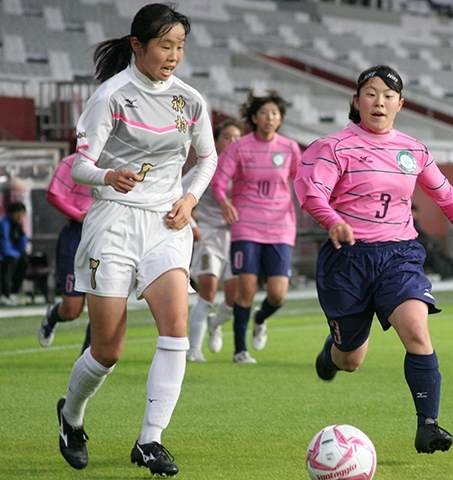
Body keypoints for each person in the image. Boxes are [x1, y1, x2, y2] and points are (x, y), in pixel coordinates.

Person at [294, 65, 453, 454]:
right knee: (351, 358)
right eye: (370, 94)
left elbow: (446, 196)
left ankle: (428, 425)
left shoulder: (414, 150)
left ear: (400, 104)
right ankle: (332, 354)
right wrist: (333, 221)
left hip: (399, 256)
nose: (379, 102)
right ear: (356, 101)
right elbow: (312, 194)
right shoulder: (333, 147)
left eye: (388, 96)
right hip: (347, 260)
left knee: (417, 332)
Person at [55, 4, 217, 476]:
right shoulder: (111, 96)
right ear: (137, 45)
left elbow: (205, 158)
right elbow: (77, 165)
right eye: (165, 45)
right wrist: (108, 174)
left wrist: (189, 200)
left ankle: (150, 440)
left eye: (180, 46)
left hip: (166, 223)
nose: (173, 56)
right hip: (113, 221)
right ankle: (71, 416)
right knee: (108, 349)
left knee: (176, 328)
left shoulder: (190, 100)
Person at [211, 89, 301, 364]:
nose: (269, 117)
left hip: (280, 226)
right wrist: (225, 202)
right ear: (253, 117)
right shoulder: (239, 147)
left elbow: (302, 182)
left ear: (280, 118)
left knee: (277, 293)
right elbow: (217, 182)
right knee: (246, 286)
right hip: (246, 223)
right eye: (263, 113)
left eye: (274, 113)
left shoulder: (289, 148)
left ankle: (260, 319)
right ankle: (240, 350)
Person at [186, 119, 243, 362]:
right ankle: (193, 349)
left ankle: (215, 323)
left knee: (235, 298)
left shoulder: (246, 168)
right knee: (207, 291)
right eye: (227, 137)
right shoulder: (207, 167)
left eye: (237, 137)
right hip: (209, 234)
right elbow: (176, 195)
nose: (233, 142)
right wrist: (193, 224)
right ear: (217, 141)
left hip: (239, 236)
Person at [38, 154, 92, 352]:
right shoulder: (73, 162)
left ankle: (86, 361)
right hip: (76, 236)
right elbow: (53, 195)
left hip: (107, 238)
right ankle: (53, 315)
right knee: (72, 310)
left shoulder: (121, 160)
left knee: (103, 305)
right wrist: (79, 215)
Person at [0, 201, 29, 306]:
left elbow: (22, 246)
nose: (21, 217)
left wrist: (22, 234)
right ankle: (5, 294)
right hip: (3, 255)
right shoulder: (4, 224)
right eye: (19, 214)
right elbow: (4, 245)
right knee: (9, 263)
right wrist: (15, 254)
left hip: (13, 254)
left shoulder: (18, 226)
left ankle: (13, 293)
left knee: (24, 261)